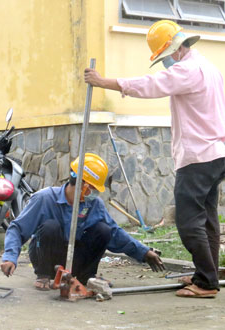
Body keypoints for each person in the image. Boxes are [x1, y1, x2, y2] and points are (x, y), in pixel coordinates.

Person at [84, 20, 225, 298]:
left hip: (198, 156)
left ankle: (207, 283)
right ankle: (205, 274)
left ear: (174, 50)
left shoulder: (187, 70)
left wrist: (104, 83)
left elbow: (151, 85)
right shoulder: (208, 67)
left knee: (188, 222)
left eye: (164, 57)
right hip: (215, 152)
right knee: (207, 218)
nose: (165, 63)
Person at [0, 153, 164, 290]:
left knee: (103, 229)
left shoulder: (93, 204)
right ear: (82, 185)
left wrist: (143, 252)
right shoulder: (45, 198)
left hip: (74, 257)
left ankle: (86, 277)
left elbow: (114, 233)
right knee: (51, 227)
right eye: (92, 188)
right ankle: (44, 276)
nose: (94, 193)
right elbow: (17, 228)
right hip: (47, 257)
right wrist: (10, 257)